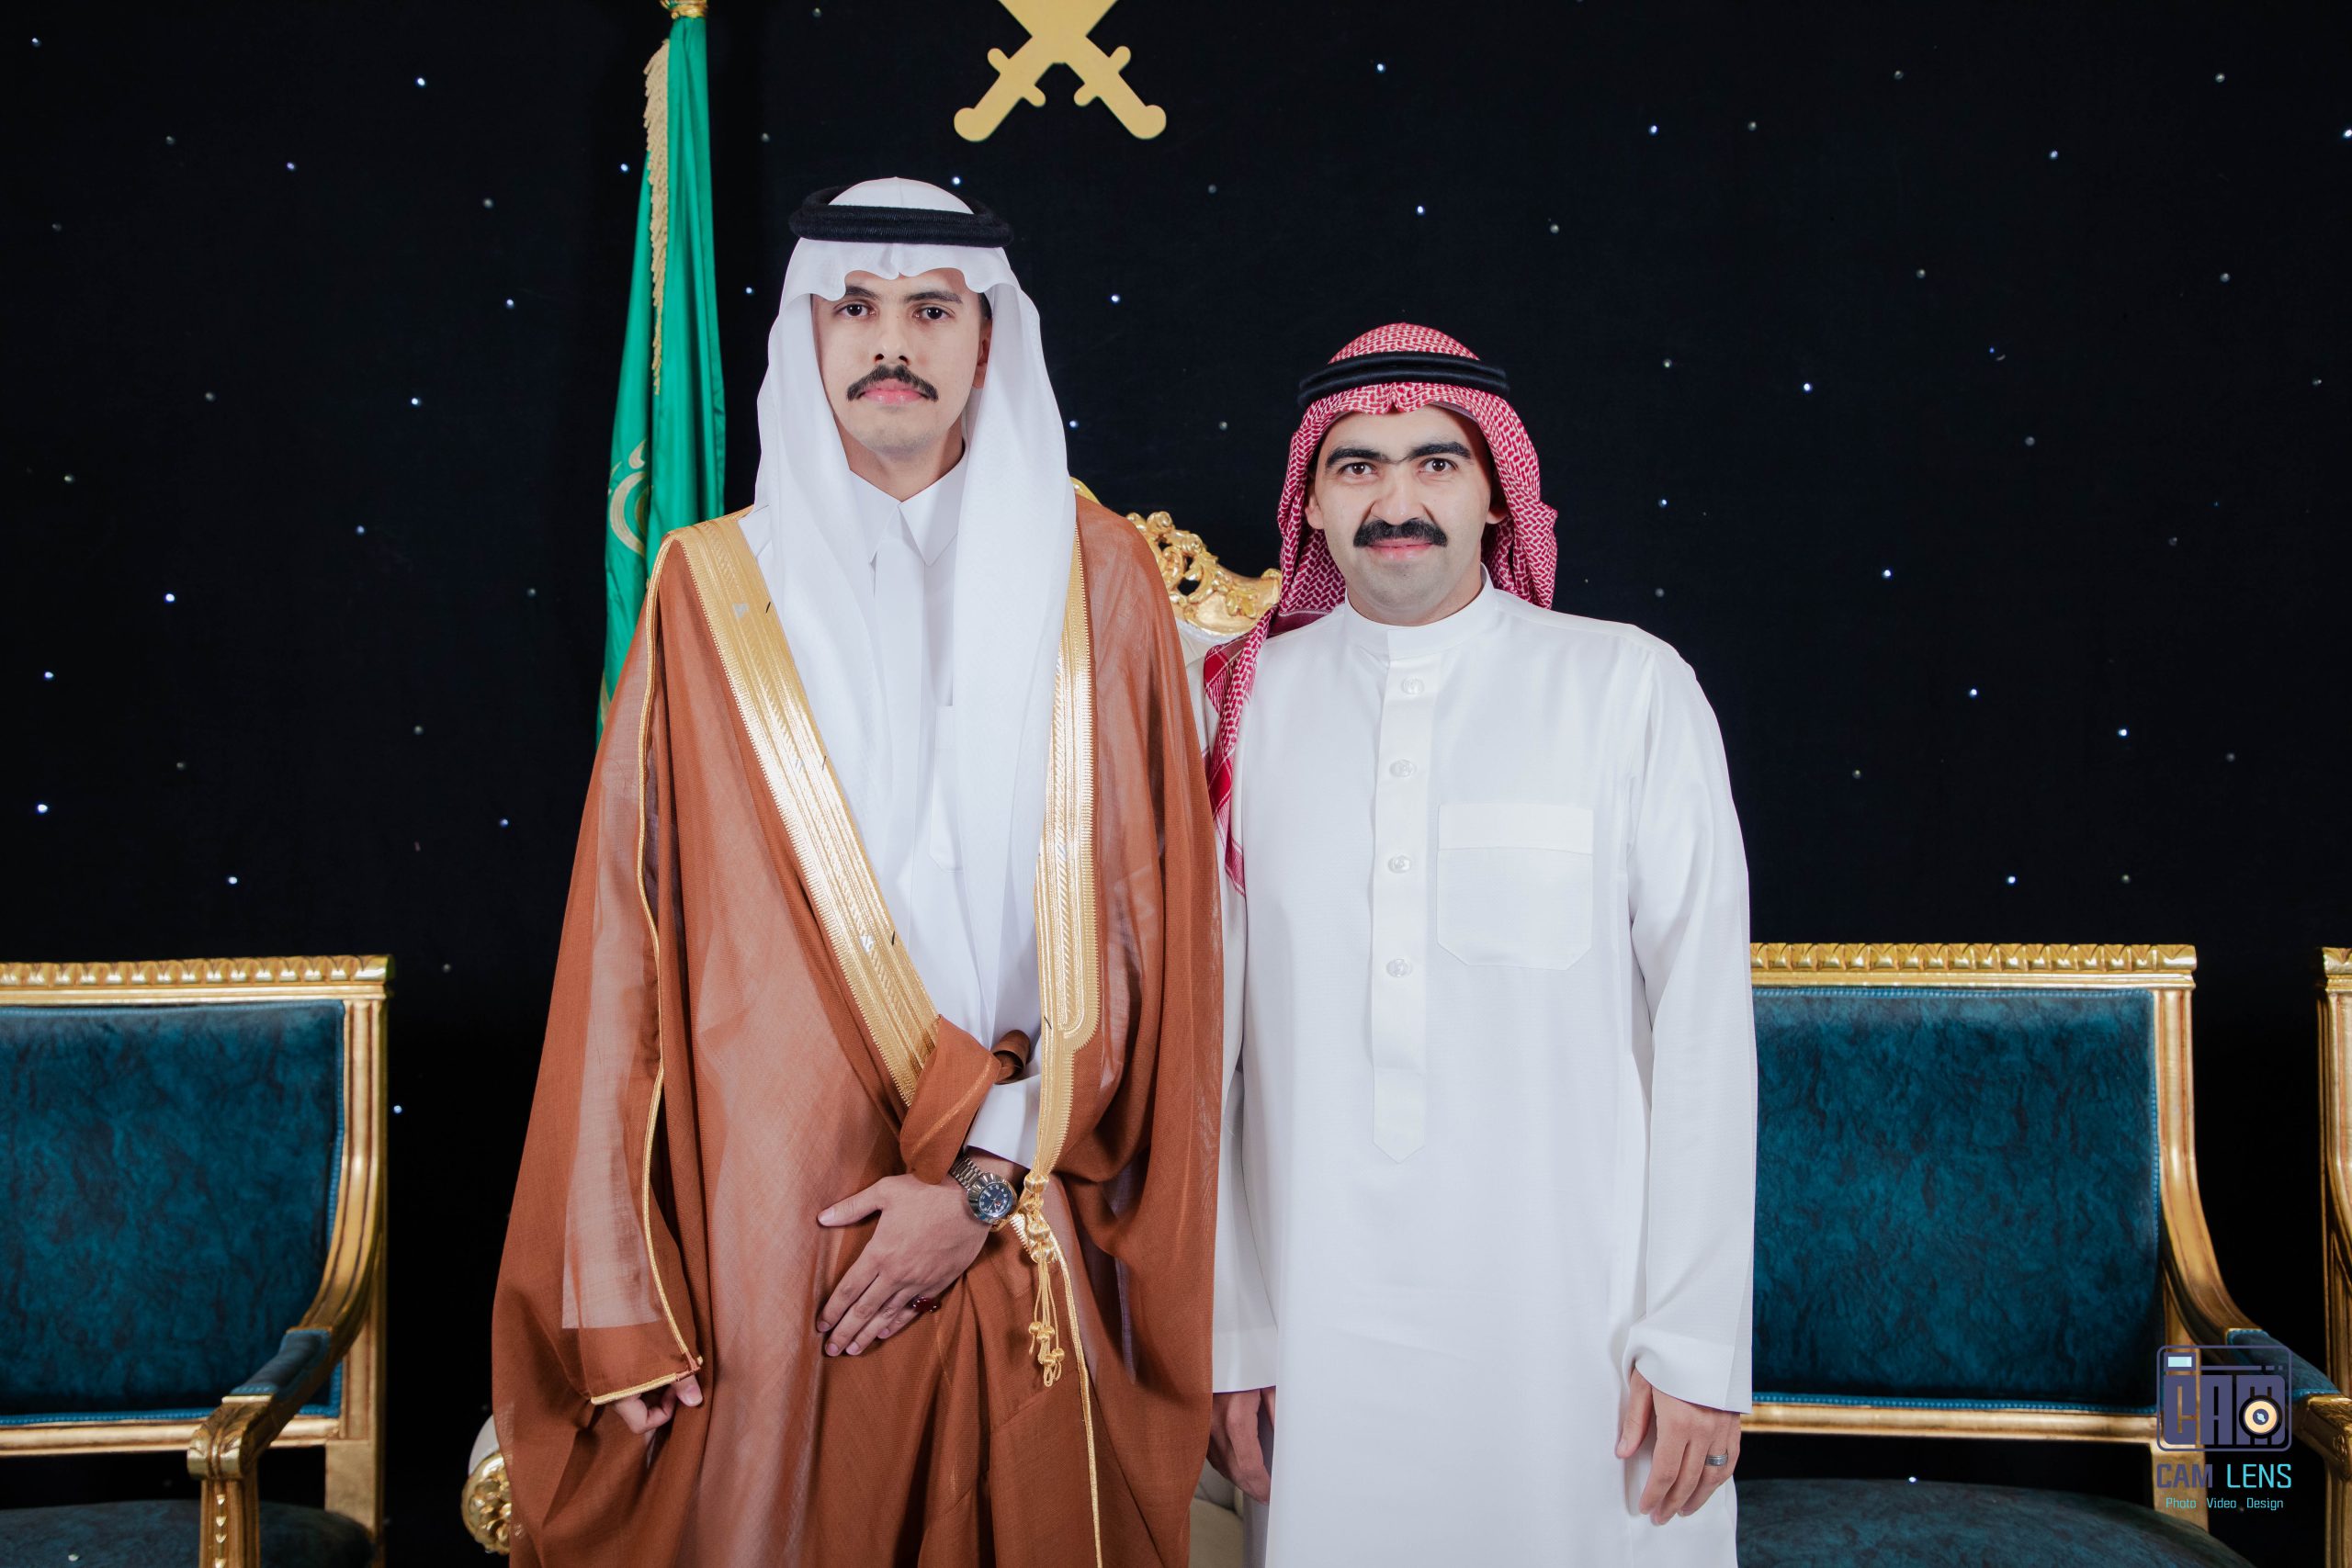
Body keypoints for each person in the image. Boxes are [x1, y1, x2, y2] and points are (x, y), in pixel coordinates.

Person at [492, 178, 1222, 1568]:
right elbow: (628, 945)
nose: (892, 340)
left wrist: (985, 1180)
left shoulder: (1101, 576)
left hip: (1029, 1183)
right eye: (857, 307)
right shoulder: (713, 587)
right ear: (808, 336)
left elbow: (1147, 929)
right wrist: (619, 1284)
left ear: (989, 342)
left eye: (932, 310)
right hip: (767, 1203)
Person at [1201, 324, 1756, 1565]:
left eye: (1436, 463)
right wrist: (1232, 1335)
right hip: (1318, 1336)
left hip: (1586, 1342)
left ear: (1498, 492)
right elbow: (1204, 1061)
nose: (1396, 500)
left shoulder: (1626, 689)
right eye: (1356, 466)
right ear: (1310, 502)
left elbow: (1706, 1037)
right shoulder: (1237, 707)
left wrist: (1697, 1345)